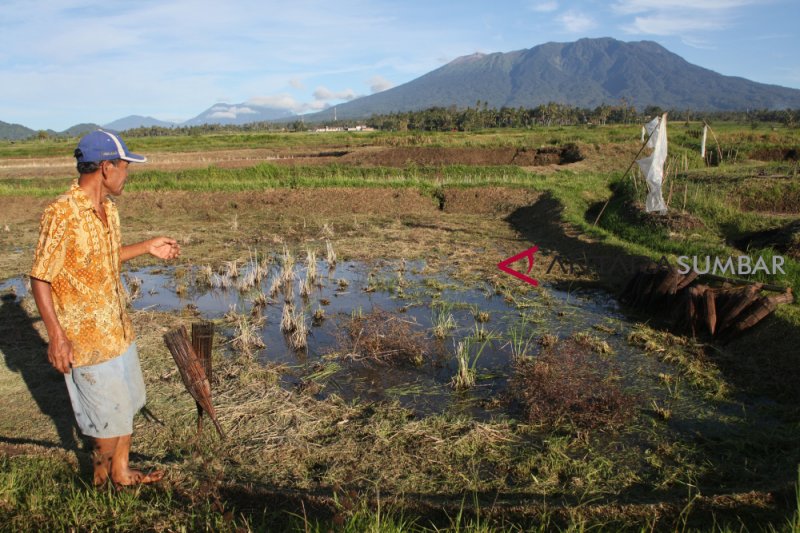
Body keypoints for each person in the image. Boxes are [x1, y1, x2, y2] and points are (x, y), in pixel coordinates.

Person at [30, 130, 180, 487]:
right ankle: (102, 479)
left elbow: (106, 259)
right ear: (106, 168)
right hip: (87, 341)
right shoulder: (61, 213)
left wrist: (147, 247)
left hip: (118, 331)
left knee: (124, 408)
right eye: (125, 167)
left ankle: (122, 473)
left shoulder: (108, 210)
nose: (127, 174)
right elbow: (40, 278)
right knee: (103, 419)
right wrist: (55, 336)